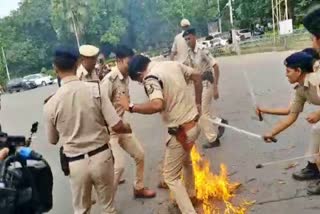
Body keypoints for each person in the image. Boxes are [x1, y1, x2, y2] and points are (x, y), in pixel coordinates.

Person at [44, 47, 132, 213]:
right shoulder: (95, 89)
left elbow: (52, 139)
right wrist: (127, 127)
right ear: (77, 63)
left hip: (76, 163)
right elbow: (115, 123)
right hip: (102, 157)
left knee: (82, 210)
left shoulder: (51, 103)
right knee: (108, 208)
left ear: (55, 68)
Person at [118, 55, 203, 214]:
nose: (140, 83)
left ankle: (188, 211)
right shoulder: (171, 64)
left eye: (138, 81)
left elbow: (157, 104)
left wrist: (130, 106)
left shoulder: (150, 78)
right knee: (186, 162)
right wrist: (198, 103)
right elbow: (198, 76)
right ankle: (191, 195)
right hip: (194, 125)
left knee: (170, 176)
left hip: (181, 131)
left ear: (139, 73)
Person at [100, 46, 156, 198]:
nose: (131, 66)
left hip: (122, 127)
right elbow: (99, 107)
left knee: (140, 154)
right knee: (119, 167)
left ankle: (138, 188)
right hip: (109, 131)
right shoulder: (109, 80)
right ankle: (108, 203)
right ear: (118, 61)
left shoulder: (125, 78)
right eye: (128, 63)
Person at [262, 52, 320, 195]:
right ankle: (313, 167)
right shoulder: (300, 89)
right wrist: (271, 133)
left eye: (288, 71)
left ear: (299, 71)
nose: (286, 75)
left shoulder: (317, 80)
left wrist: (318, 114)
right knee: (316, 131)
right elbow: (292, 115)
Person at [183, 28, 228, 149]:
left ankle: (213, 140)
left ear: (194, 37)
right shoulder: (189, 52)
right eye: (186, 39)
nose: (187, 41)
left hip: (208, 82)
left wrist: (216, 87)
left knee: (202, 113)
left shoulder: (202, 50)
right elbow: (185, 66)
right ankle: (219, 122)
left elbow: (215, 66)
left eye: (189, 38)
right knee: (203, 111)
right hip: (198, 85)